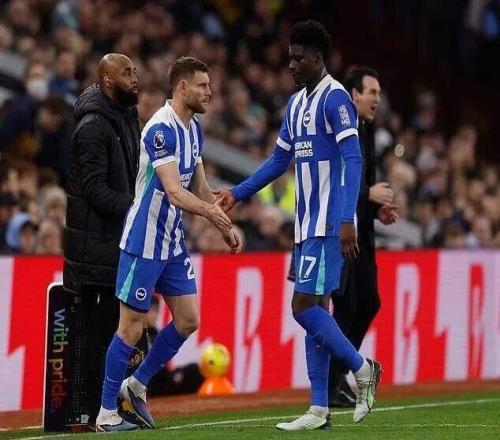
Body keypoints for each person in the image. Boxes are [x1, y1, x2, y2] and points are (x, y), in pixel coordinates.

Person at [217, 20, 382, 431]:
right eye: (289, 58)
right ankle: (318, 409)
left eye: (298, 58)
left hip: (329, 223)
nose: (290, 64)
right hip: (305, 225)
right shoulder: (295, 105)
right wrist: (238, 193)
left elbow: (354, 159)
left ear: (318, 58)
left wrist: (347, 218)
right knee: (317, 308)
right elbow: (278, 161)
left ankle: (362, 369)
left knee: (302, 306)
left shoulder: (336, 99)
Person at [95, 56, 242, 432]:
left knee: (189, 320)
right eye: (203, 86)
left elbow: (200, 186)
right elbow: (174, 191)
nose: (209, 92)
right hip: (144, 240)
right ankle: (106, 413)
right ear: (182, 87)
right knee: (131, 327)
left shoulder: (194, 129)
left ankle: (136, 385)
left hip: (172, 241)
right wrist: (211, 216)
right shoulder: (160, 129)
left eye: (210, 85)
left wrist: (223, 225)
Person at [63, 53, 142, 426]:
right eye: (127, 73)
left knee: (114, 331)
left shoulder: (125, 116)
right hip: (93, 252)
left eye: (134, 71)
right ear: (108, 81)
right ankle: (98, 413)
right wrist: (137, 208)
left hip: (116, 246)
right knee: (96, 338)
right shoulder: (93, 125)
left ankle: (111, 408)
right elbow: (94, 190)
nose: (134, 78)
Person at [326, 67, 397, 407]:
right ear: (353, 95)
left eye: (379, 93)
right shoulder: (344, 129)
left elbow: (361, 182)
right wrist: (369, 194)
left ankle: (336, 375)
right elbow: (337, 178)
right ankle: (329, 382)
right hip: (344, 230)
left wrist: (376, 209)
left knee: (369, 302)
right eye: (371, 92)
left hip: (363, 231)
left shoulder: (367, 129)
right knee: (347, 305)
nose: (377, 99)